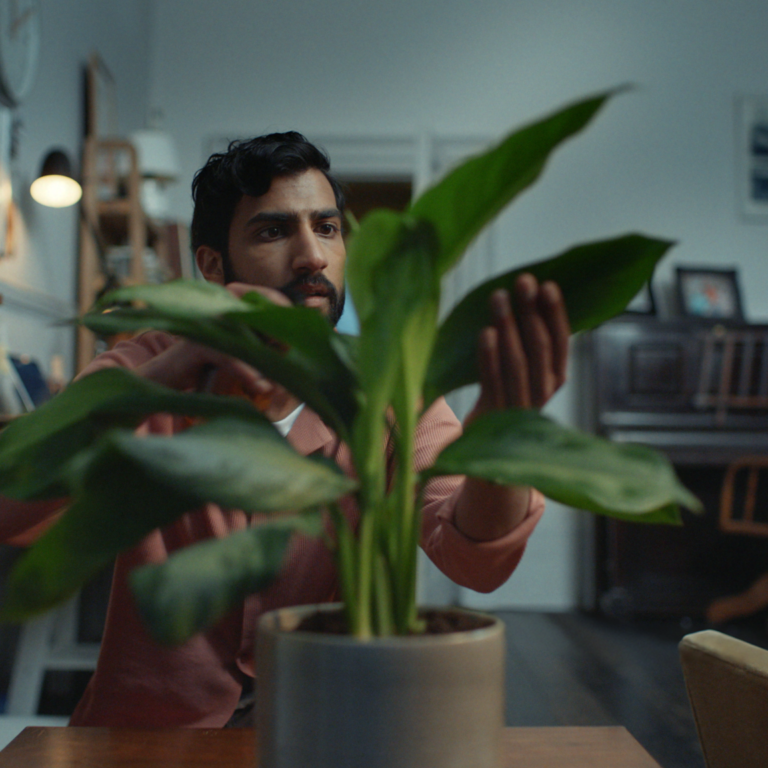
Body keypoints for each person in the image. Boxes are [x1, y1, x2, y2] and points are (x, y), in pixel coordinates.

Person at [0, 132, 570, 727]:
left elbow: (475, 559)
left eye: (327, 228)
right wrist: (153, 384)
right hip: (149, 739)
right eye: (274, 231)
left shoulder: (391, 389)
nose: (312, 256)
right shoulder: (148, 364)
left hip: (331, 730)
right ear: (213, 266)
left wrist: (499, 434)